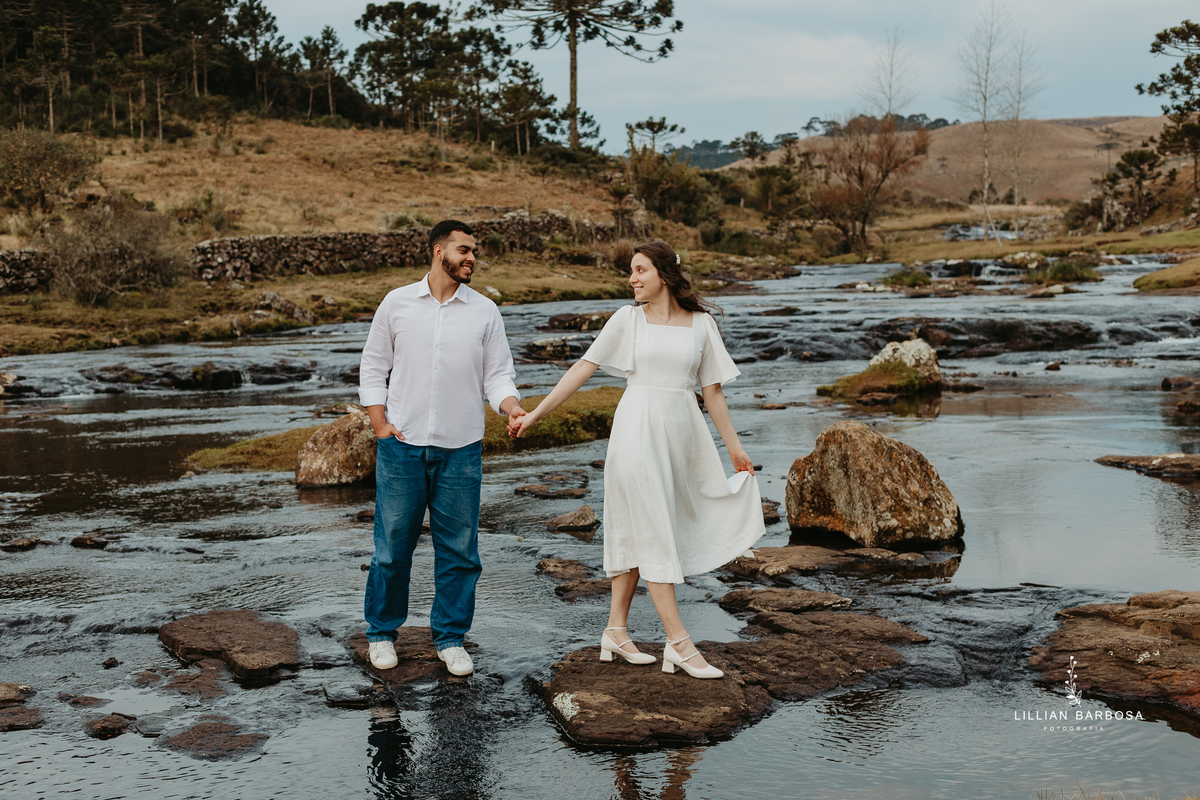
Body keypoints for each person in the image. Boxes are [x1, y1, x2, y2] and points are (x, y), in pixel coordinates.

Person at [509, 239, 764, 679]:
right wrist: (534, 414)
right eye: (631, 270)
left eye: (640, 270)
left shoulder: (702, 325)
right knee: (653, 531)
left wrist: (735, 449)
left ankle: (615, 631)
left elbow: (714, 392)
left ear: (663, 274)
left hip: (681, 436)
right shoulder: (628, 319)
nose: (632, 278)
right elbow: (582, 370)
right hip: (635, 433)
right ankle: (680, 644)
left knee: (636, 527)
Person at [359, 219, 526, 676]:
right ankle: (380, 633)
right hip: (402, 446)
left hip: (461, 448)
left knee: (460, 550)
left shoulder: (485, 312)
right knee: (392, 547)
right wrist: (379, 423)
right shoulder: (396, 304)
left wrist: (510, 406)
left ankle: (450, 638)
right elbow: (373, 365)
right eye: (464, 250)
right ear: (438, 251)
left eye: (474, 252)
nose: (472, 257)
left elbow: (498, 375)